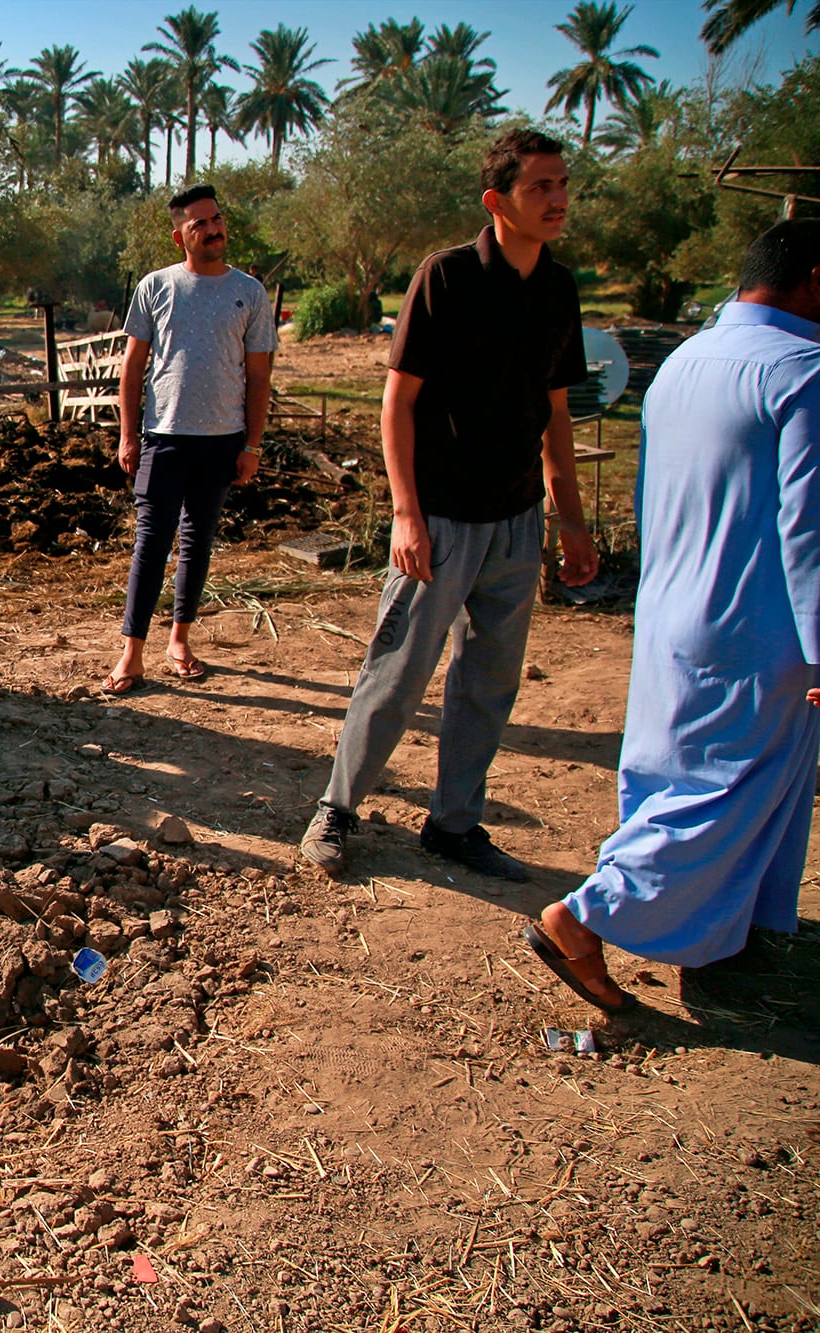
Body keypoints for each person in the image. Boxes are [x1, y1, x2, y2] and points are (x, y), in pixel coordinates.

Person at [525, 220, 820, 1013]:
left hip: (673, 605)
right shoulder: (802, 372)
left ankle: (730, 937)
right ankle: (585, 916)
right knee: (733, 788)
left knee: (671, 778)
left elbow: (656, 488)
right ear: (814, 282)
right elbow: (809, 529)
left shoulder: (687, 360)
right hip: (759, 621)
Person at [299, 128, 598, 881]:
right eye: (541, 187)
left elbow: (555, 412)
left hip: (517, 520)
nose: (559, 198)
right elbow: (396, 406)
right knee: (397, 672)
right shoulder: (448, 277)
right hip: (440, 521)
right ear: (499, 201)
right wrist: (406, 513)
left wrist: (569, 519)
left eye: (563, 184)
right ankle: (336, 810)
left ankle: (454, 822)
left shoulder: (560, 288)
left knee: (489, 680)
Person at [103, 184, 276, 691]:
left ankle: (180, 639)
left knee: (198, 541)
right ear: (179, 234)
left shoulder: (249, 292)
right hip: (163, 437)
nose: (213, 229)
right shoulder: (156, 287)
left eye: (216, 218)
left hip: (223, 440)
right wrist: (128, 435)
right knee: (151, 543)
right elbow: (132, 368)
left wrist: (252, 445)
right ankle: (131, 652)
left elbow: (259, 376)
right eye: (199, 223)